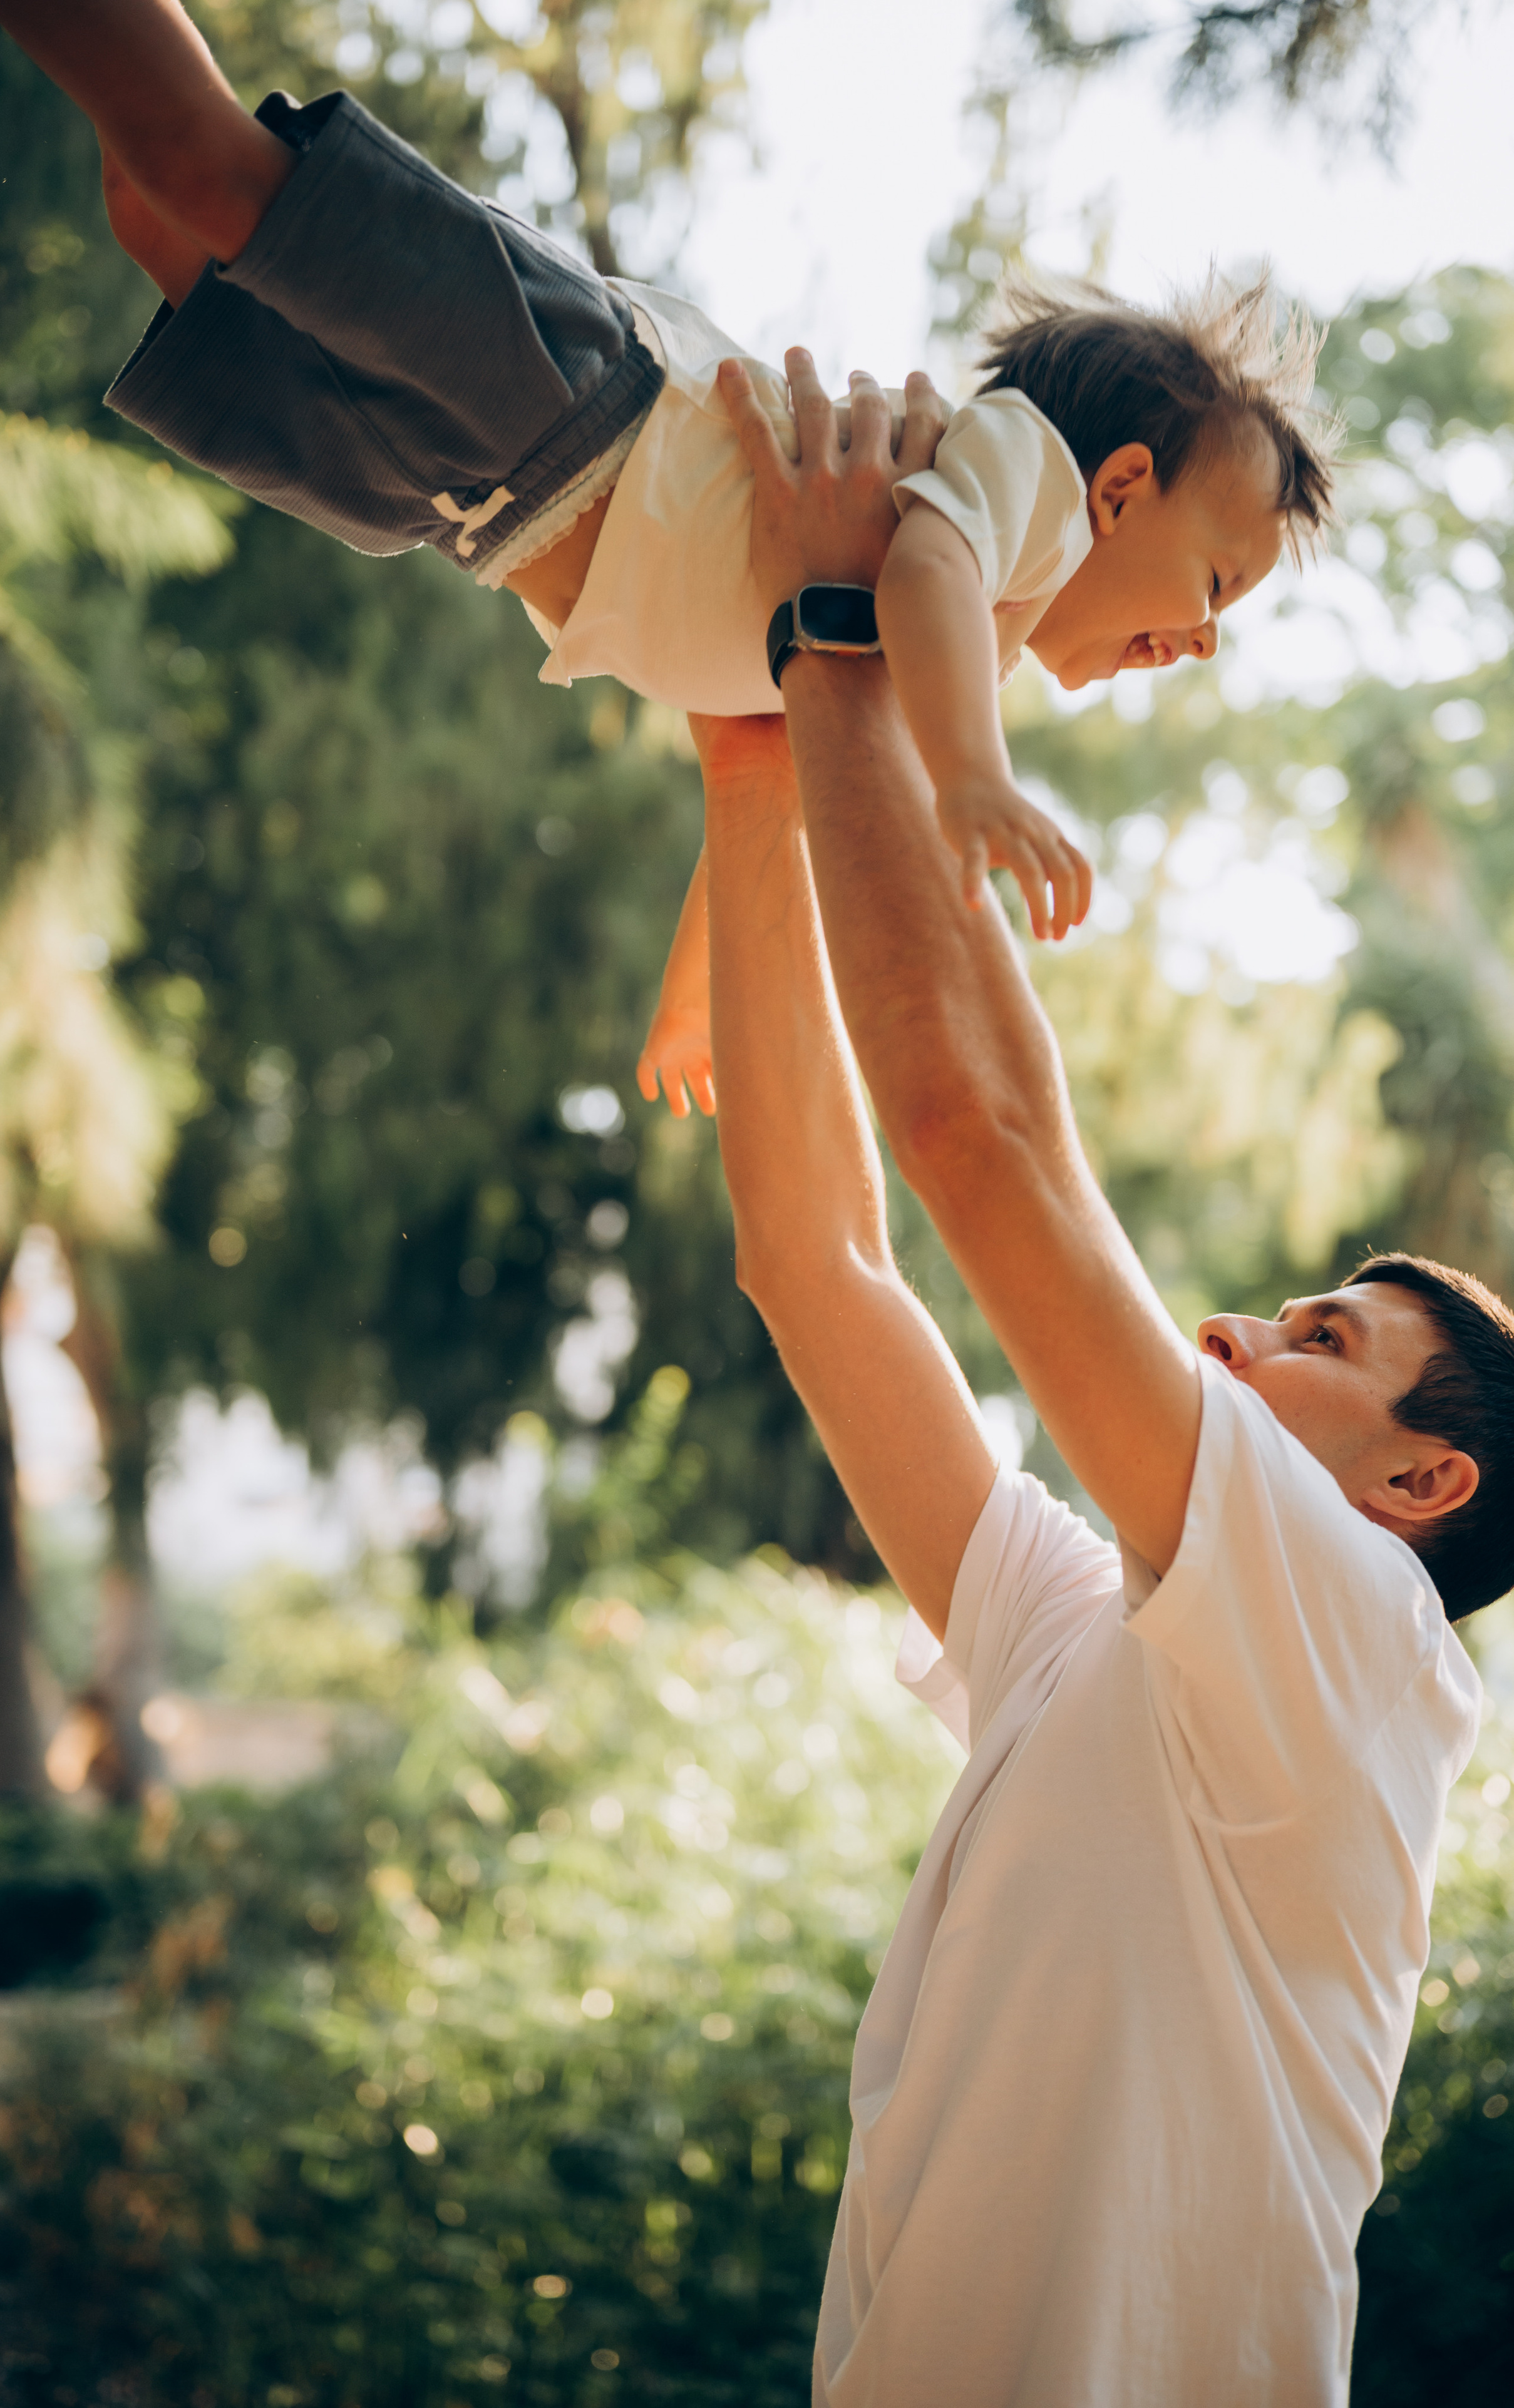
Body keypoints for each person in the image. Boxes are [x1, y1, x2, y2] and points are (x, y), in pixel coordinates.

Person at [698, 352, 1508, 2404]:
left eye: (1324, 1344)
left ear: (1424, 1486)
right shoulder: (1103, 1631)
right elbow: (819, 1265)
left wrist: (836, 632)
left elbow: (979, 1144)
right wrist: (754, 763)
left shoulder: (1361, 1642)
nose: (1241, 1329)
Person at [0, 1, 1336, 1113]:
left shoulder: (947, 643)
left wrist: (694, 993)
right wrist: (974, 778)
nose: (1205, 640)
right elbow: (927, 567)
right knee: (201, 172)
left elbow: (775, 781)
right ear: (1120, 489)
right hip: (574, 405)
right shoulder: (1023, 495)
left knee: (157, 217)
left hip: (476, 503)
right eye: (1217, 584)